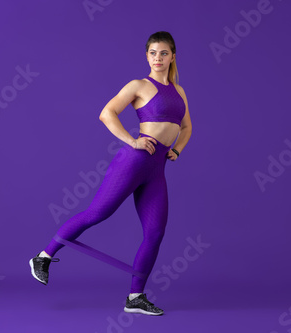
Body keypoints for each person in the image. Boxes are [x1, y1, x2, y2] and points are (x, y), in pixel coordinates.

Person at [29, 31, 192, 316]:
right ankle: (43, 257)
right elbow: (107, 113)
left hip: (157, 170)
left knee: (155, 233)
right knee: (97, 214)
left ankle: (135, 297)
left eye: (163, 53)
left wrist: (176, 150)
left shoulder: (179, 92)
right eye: (153, 53)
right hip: (134, 161)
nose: (158, 58)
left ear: (173, 56)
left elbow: (187, 127)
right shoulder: (139, 85)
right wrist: (132, 141)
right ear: (147, 56)